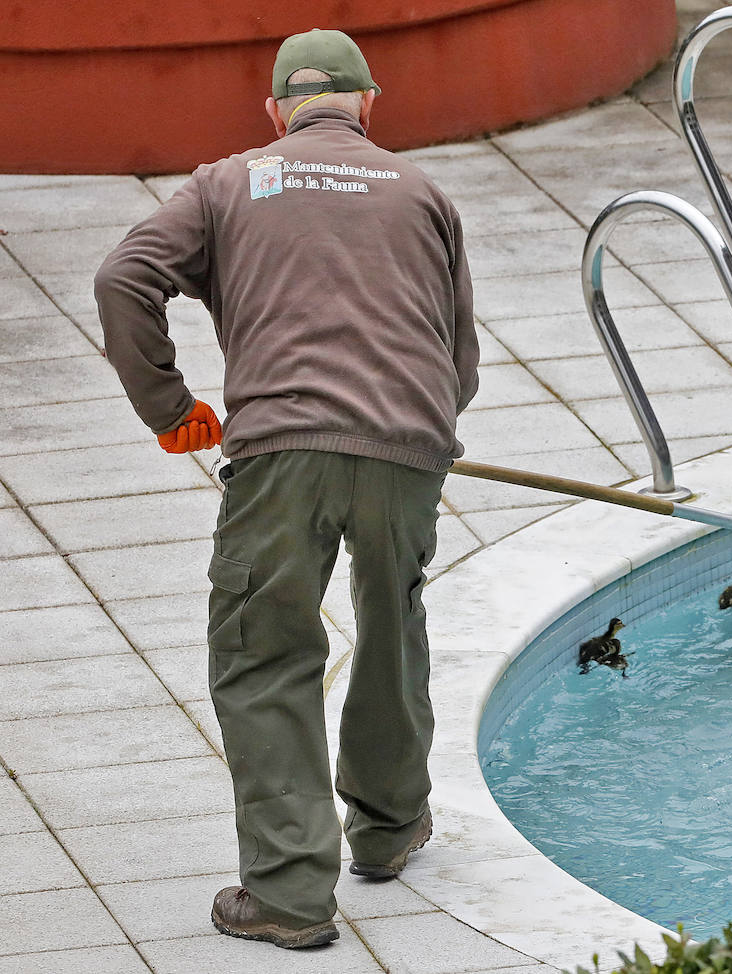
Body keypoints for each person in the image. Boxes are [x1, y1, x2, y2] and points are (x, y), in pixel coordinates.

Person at [94, 28, 479, 949]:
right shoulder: (422, 192)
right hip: (407, 445)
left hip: (279, 452)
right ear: (368, 104)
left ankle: (290, 893)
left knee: (265, 653)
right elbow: (459, 359)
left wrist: (169, 407)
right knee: (391, 624)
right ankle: (388, 830)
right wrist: (411, 433)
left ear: (275, 112)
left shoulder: (225, 184)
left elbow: (123, 278)